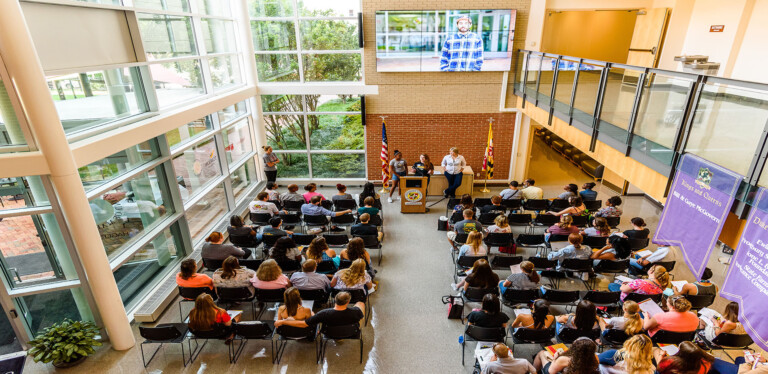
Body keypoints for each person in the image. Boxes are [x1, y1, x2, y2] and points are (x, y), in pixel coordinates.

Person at [273, 291, 365, 329]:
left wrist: (282, 322)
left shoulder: (323, 313)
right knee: (361, 304)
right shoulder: (356, 312)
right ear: (348, 302)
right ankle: (359, 327)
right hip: (351, 331)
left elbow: (305, 324)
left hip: (330, 332)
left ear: (335, 299)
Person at [534, 337, 599, 374]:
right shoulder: (595, 358)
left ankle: (533, 371)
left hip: (554, 370)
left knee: (542, 353)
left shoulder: (565, 359)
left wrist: (554, 359)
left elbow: (550, 372)